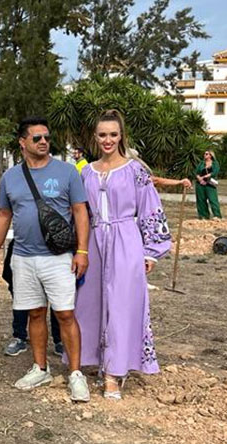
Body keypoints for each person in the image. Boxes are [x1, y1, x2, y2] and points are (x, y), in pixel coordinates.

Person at [0, 116, 91, 403]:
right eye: (37, 138)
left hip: (58, 258)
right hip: (23, 256)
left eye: (46, 137)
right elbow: (4, 215)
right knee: (34, 313)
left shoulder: (67, 172)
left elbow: (80, 211)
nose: (44, 142)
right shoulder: (10, 177)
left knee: (65, 314)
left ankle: (76, 373)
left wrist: (82, 251)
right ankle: (40, 367)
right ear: (23, 142)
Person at [75, 110, 171, 399]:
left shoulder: (135, 170)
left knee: (122, 303)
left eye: (113, 135)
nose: (108, 140)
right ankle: (96, 360)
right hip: (94, 240)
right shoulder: (86, 172)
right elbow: (80, 212)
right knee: (90, 303)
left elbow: (150, 207)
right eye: (102, 134)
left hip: (126, 239)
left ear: (121, 136)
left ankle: (116, 372)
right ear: (95, 137)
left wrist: (150, 252)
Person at [194, 150, 221, 219]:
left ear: (210, 155)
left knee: (213, 199)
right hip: (200, 183)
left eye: (206, 154)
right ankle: (203, 215)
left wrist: (206, 176)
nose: (204, 155)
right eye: (204, 154)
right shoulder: (201, 163)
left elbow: (215, 172)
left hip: (210, 183)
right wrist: (199, 178)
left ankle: (217, 215)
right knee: (201, 199)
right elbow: (196, 172)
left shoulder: (215, 163)